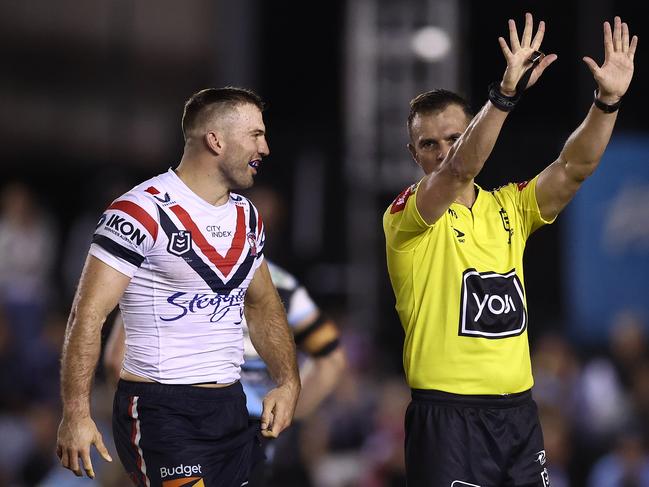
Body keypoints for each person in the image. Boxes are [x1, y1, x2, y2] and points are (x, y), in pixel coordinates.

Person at [382, 13, 637, 486]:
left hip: (518, 414)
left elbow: (573, 168)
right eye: (428, 144)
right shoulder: (407, 217)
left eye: (455, 137)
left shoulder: (509, 207)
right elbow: (457, 172)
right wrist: (503, 96)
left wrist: (607, 102)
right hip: (448, 417)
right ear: (413, 154)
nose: (442, 151)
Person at [56, 87, 301, 487]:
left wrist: (288, 382)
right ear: (216, 140)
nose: (266, 148)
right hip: (161, 413)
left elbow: (262, 305)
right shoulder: (140, 210)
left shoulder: (247, 216)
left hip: (232, 408)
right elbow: (88, 315)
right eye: (255, 135)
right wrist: (77, 414)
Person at [104, 258, 346, 486]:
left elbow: (118, 360)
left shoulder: (163, 270)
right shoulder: (282, 284)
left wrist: (148, 426)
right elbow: (331, 360)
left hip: (180, 422)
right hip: (253, 431)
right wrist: (282, 417)